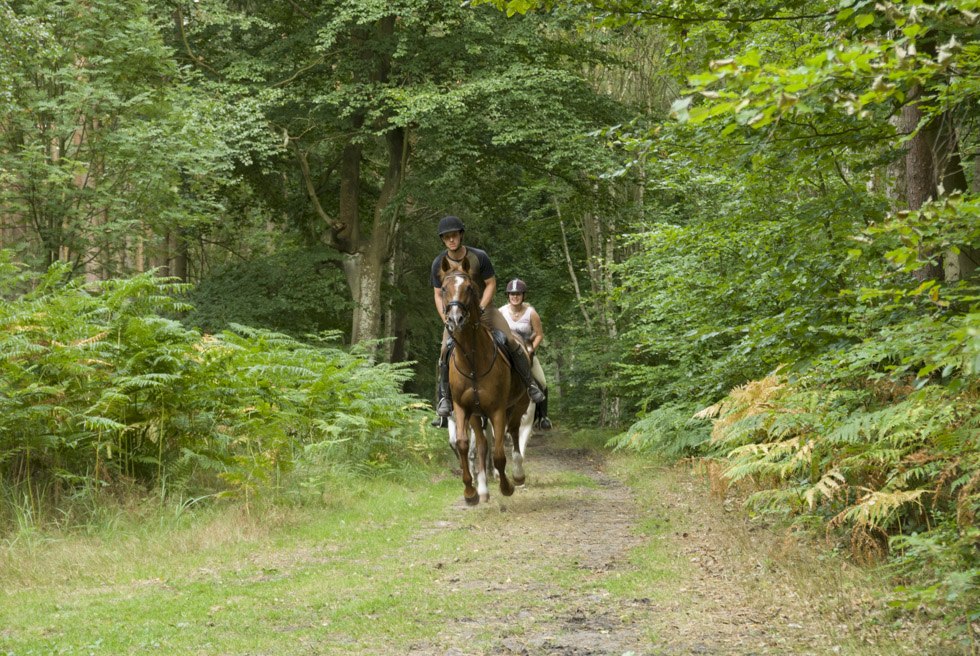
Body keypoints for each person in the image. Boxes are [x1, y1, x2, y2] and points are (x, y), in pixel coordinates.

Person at [430, 216, 545, 424]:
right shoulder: (439, 262)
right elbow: (438, 294)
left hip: (484, 309)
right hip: (455, 314)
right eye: (447, 237)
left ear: (460, 235)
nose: (451, 240)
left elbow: (491, 283)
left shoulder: (478, 256)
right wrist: (445, 317)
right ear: (443, 240)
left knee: (509, 340)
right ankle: (445, 399)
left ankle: (530, 384)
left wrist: (482, 307)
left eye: (454, 235)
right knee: (445, 350)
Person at [499, 279, 552, 430]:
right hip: (505, 353)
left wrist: (531, 350)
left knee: (542, 382)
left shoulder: (531, 313)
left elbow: (539, 335)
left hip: (526, 353)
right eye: (512, 294)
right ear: (508, 295)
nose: (515, 297)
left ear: (523, 296)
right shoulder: (501, 312)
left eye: (518, 294)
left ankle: (543, 417)